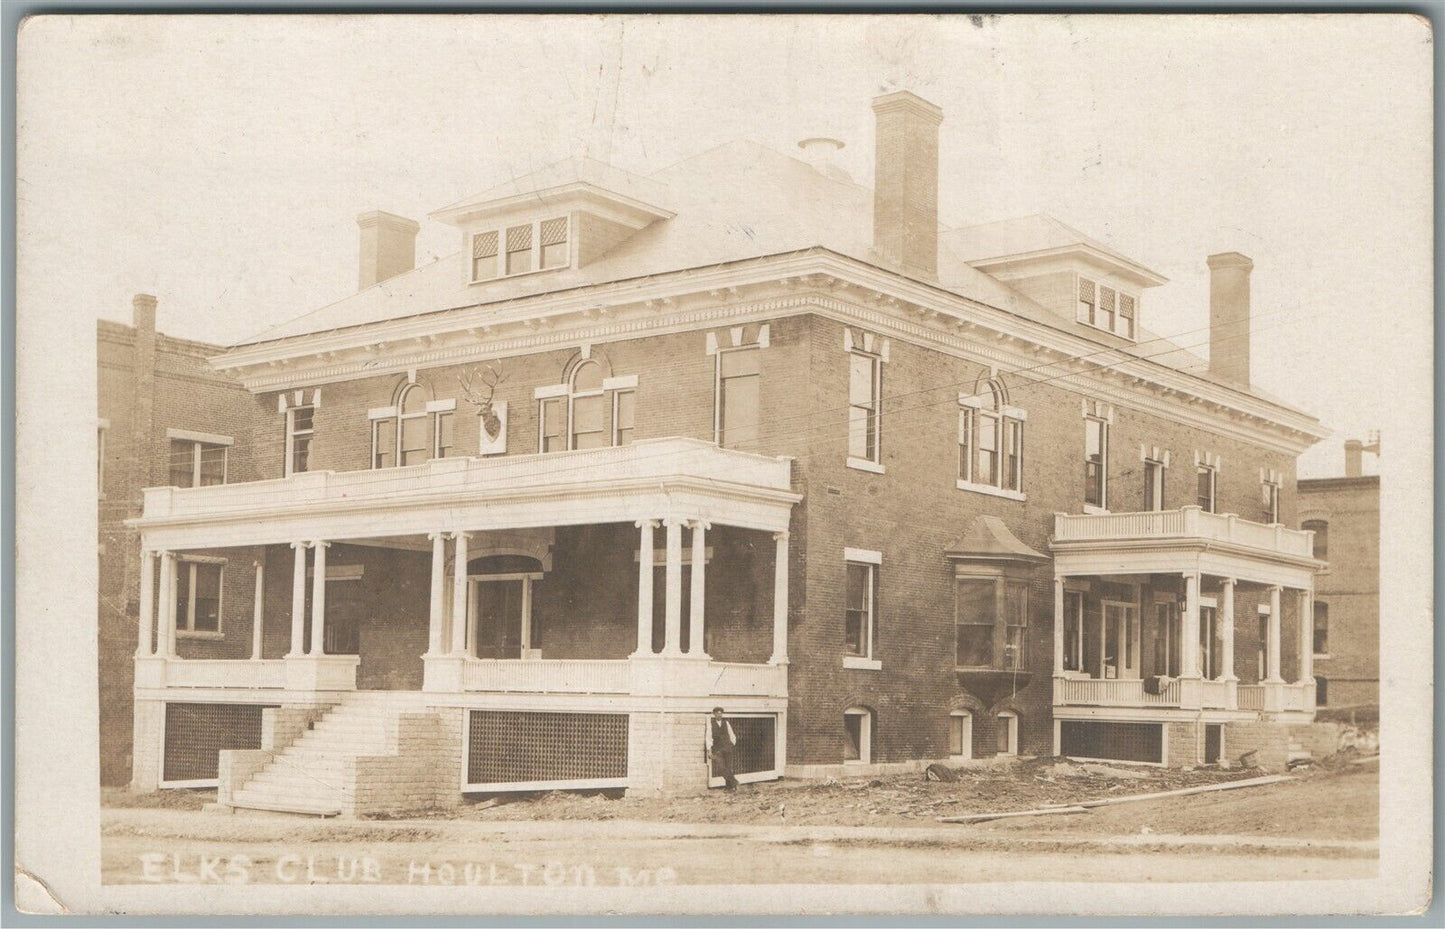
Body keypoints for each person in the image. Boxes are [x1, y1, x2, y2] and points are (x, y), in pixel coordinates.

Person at [706, 706, 739, 789]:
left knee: (728, 767)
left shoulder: (726, 723)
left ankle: (729, 787)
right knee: (721, 768)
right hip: (718, 750)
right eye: (717, 713)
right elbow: (708, 737)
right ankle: (734, 782)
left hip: (727, 748)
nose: (719, 715)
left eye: (721, 713)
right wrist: (709, 750)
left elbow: (732, 735)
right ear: (714, 714)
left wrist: (732, 745)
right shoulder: (711, 724)